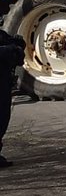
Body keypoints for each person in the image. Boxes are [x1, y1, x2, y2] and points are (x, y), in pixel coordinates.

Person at [0, 27, 25, 168]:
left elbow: (19, 48)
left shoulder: (2, 35)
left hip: (4, 83)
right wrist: (10, 49)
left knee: (3, 118)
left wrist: (16, 46)